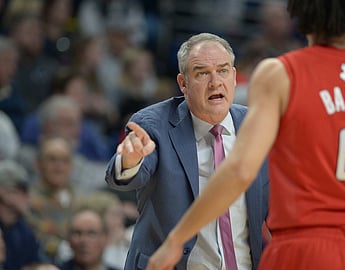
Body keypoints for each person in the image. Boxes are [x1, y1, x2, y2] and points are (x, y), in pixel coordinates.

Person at [147, 1, 345, 270]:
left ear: (301, 10)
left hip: (300, 249)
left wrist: (176, 239)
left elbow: (240, 170)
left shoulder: (280, 74)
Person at [104, 33, 269, 269]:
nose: (215, 82)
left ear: (234, 77)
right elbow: (125, 178)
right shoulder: (154, 124)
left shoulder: (256, 126)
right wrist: (130, 160)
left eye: (222, 71)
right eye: (202, 73)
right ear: (183, 83)